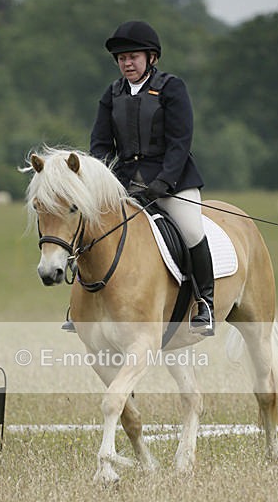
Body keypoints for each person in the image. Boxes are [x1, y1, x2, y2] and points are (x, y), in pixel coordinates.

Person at [86, 19, 215, 336]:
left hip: (173, 182)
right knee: (90, 232)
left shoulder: (172, 88)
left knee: (190, 229)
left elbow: (180, 142)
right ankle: (84, 307)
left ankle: (205, 304)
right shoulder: (111, 93)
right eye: (122, 58)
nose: (127, 63)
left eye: (133, 56)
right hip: (125, 185)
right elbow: (100, 144)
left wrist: (164, 182)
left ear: (150, 58)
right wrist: (108, 180)